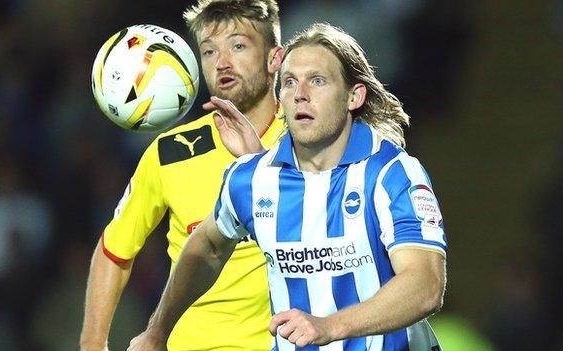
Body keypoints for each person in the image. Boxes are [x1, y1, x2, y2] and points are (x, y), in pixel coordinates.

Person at [128, 23, 447, 351]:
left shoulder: (392, 174)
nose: (300, 94)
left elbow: (425, 286)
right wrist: (157, 331)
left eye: (317, 80)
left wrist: (330, 326)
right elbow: (206, 246)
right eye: (290, 82)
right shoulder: (252, 180)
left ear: (354, 96)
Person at [79, 1, 286, 350]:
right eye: (208, 51)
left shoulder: (308, 140)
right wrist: (92, 344)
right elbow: (114, 251)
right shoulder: (170, 152)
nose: (222, 63)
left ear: (274, 58)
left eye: (238, 46)